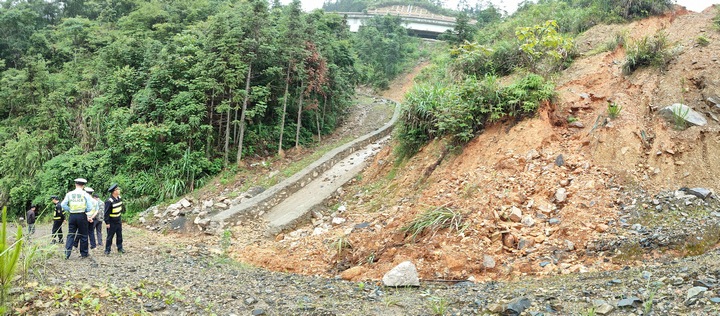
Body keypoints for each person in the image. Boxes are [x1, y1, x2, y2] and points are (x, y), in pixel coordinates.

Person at [61, 178, 94, 259]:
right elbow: (90, 207)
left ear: (75, 184)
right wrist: (85, 210)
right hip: (82, 215)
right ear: (83, 185)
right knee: (83, 235)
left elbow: (63, 204)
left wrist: (70, 209)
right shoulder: (85, 194)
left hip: (72, 215)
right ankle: (84, 254)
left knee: (71, 234)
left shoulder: (69, 194)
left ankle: (66, 254)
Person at [104, 183, 125, 255]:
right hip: (111, 221)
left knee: (119, 235)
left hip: (118, 219)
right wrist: (107, 223)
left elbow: (122, 207)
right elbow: (106, 213)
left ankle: (120, 248)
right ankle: (107, 250)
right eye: (117, 189)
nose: (119, 190)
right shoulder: (109, 201)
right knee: (110, 236)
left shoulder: (119, 198)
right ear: (114, 191)